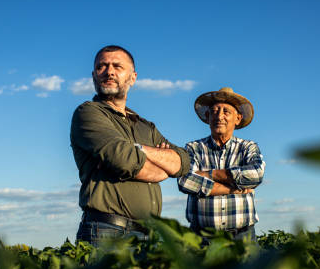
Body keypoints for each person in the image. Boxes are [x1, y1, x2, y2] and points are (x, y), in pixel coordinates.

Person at [71, 45, 190, 246]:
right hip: (107, 232)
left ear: (133, 77)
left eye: (117, 66)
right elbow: (124, 160)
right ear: (93, 76)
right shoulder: (88, 113)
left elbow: (184, 161)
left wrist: (139, 149)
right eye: (102, 66)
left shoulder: (145, 126)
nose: (109, 71)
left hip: (149, 235)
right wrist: (163, 169)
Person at [177, 87, 265, 242]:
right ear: (208, 116)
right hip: (203, 237)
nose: (219, 116)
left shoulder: (247, 147)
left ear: (237, 119)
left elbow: (256, 174)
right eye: (215, 111)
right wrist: (234, 189)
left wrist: (210, 174)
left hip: (242, 236)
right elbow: (185, 181)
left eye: (226, 112)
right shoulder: (194, 148)